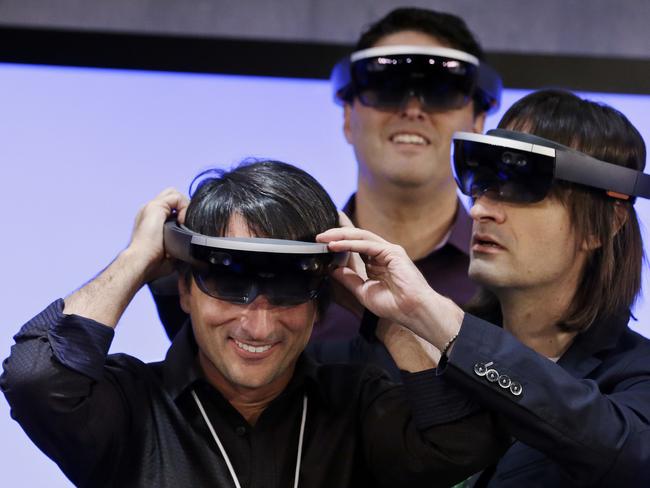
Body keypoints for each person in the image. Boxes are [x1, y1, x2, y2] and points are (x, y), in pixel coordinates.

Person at [1, 160, 507, 488]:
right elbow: (34, 380)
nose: (258, 323)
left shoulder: (356, 402)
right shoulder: (132, 405)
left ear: (320, 296)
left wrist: (385, 314)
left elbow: (461, 442)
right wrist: (136, 259)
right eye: (228, 283)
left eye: (287, 289)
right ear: (183, 287)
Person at [317, 89, 650, 486]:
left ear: (607, 224)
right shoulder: (414, 357)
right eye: (482, 181)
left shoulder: (637, 376)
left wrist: (441, 322)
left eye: (522, 186)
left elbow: (625, 452)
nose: (479, 209)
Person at [151, 7, 502, 378]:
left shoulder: (507, 277)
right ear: (348, 117)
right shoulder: (295, 262)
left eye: (440, 91)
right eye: (386, 87)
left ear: (478, 122)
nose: (412, 108)